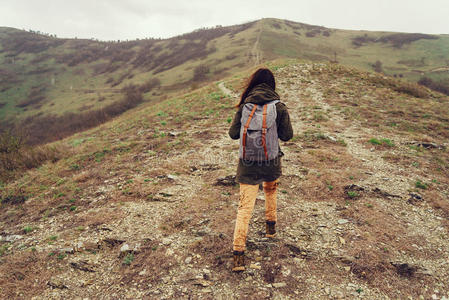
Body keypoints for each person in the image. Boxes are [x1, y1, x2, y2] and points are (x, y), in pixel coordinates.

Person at [228, 68, 293, 272]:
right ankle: (270, 228)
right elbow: (287, 136)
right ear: (272, 85)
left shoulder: (245, 106)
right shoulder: (279, 106)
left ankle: (238, 254)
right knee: (270, 191)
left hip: (247, 163)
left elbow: (232, 134)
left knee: (244, 208)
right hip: (271, 161)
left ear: (253, 84)